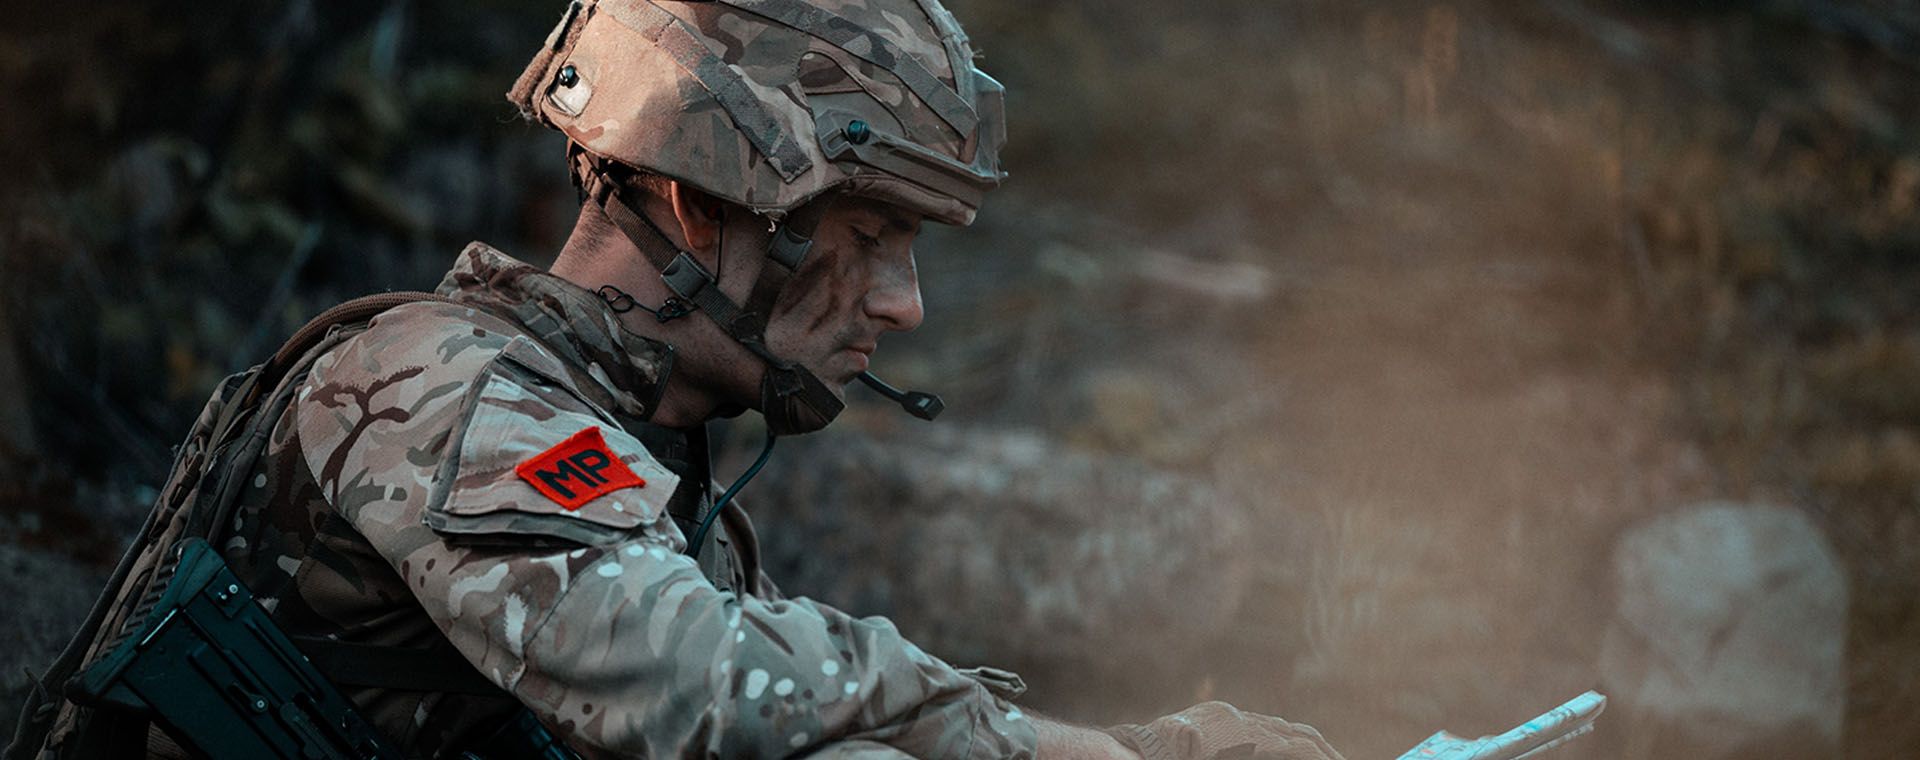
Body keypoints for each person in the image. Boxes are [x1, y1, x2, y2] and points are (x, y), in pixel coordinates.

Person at [28, 1, 1347, 758]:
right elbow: (710, 688)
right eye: (870, 238)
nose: (904, 302)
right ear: (697, 202)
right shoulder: (443, 386)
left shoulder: (635, 467)